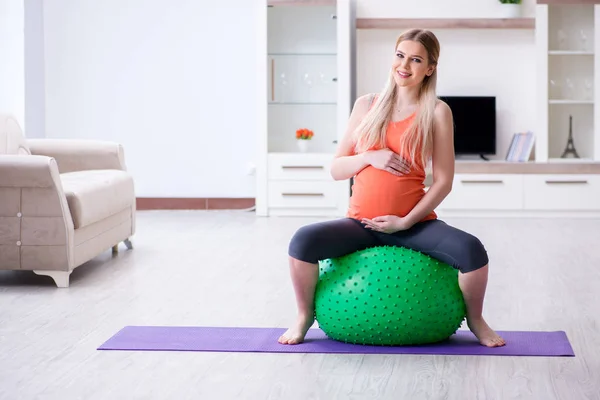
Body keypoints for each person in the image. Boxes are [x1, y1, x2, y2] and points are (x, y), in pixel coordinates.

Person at [277, 28, 506, 348]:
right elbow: (336, 169)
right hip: (360, 223)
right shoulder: (366, 105)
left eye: (415, 60)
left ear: (430, 68)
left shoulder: (438, 112)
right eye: (400, 56)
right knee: (303, 241)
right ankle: (303, 316)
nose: (405, 66)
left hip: (414, 225)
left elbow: (443, 182)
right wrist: (371, 156)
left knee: (472, 251)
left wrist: (406, 222)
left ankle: (477, 320)